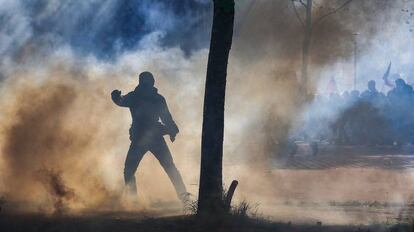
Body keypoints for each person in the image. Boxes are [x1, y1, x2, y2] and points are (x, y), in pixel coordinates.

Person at [111, 71, 188, 202]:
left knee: (130, 170)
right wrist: (172, 130)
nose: (146, 84)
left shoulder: (139, 97)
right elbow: (167, 118)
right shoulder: (151, 98)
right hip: (149, 138)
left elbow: (166, 117)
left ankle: (133, 202)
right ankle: (184, 198)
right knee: (169, 167)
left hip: (145, 139)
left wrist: (172, 129)